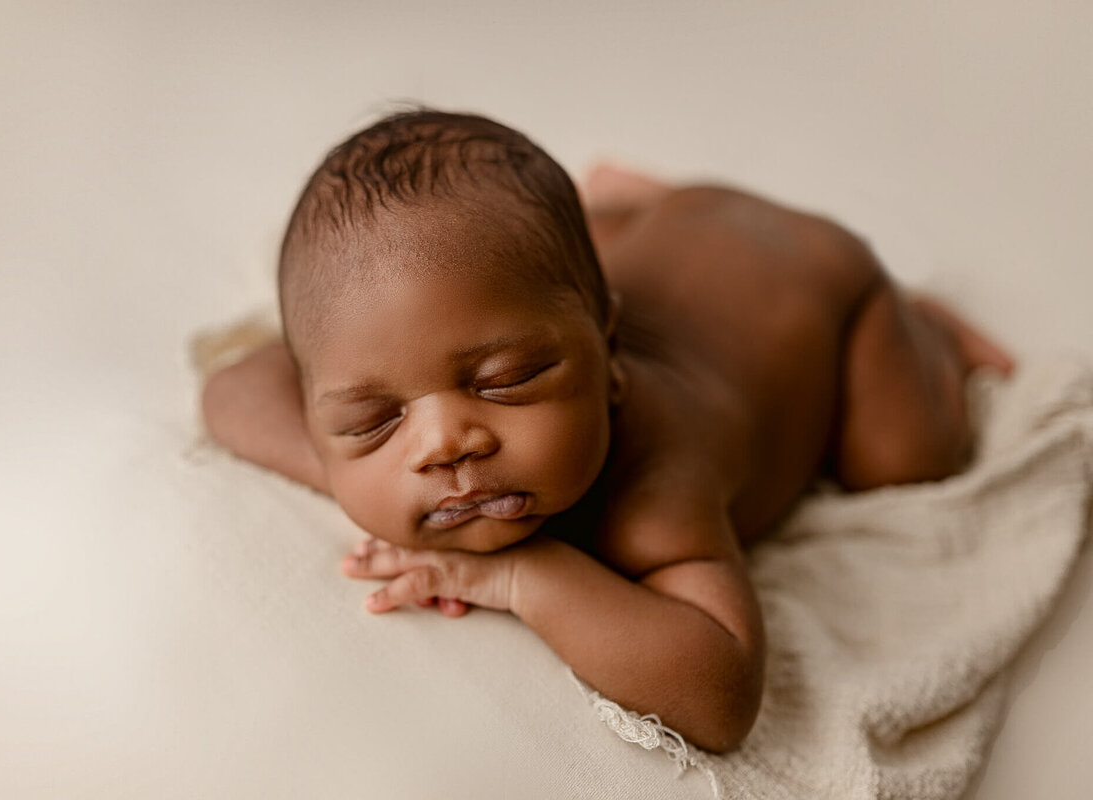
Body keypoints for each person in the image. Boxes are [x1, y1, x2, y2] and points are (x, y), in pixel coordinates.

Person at [199, 109, 1014, 753]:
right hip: (682, 236)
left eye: (507, 379)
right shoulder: (453, 325)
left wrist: (520, 578)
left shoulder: (656, 483)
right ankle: (637, 207)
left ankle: (923, 330)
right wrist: (358, 474)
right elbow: (233, 392)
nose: (445, 444)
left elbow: (720, 692)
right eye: (373, 420)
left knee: (909, 459)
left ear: (609, 354)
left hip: (818, 277)